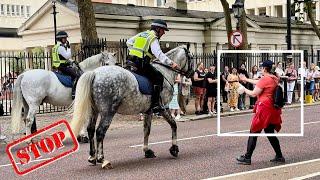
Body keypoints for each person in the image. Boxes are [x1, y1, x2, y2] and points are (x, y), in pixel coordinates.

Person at [236, 60, 285, 165]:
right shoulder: (274, 78)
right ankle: (279, 156)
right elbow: (259, 82)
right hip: (272, 109)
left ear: (264, 69)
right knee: (269, 132)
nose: (260, 68)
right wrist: (246, 79)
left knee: (254, 131)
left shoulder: (265, 79)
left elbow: (254, 94)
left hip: (264, 108)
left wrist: (244, 89)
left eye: (261, 67)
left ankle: (247, 157)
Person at [126, 19, 178, 113]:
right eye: (163, 30)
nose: (163, 33)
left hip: (130, 61)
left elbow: (128, 42)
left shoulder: (142, 34)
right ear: (157, 29)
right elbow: (159, 54)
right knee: (158, 77)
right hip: (141, 64)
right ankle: (155, 105)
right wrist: (171, 63)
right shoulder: (153, 38)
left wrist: (137, 51)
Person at [51, 31, 79, 99]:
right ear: (61, 39)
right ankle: (74, 92)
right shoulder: (61, 47)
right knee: (76, 76)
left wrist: (72, 61)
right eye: (65, 38)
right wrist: (69, 48)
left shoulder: (55, 47)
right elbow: (67, 56)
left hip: (56, 66)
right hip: (62, 67)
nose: (66, 40)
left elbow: (62, 58)